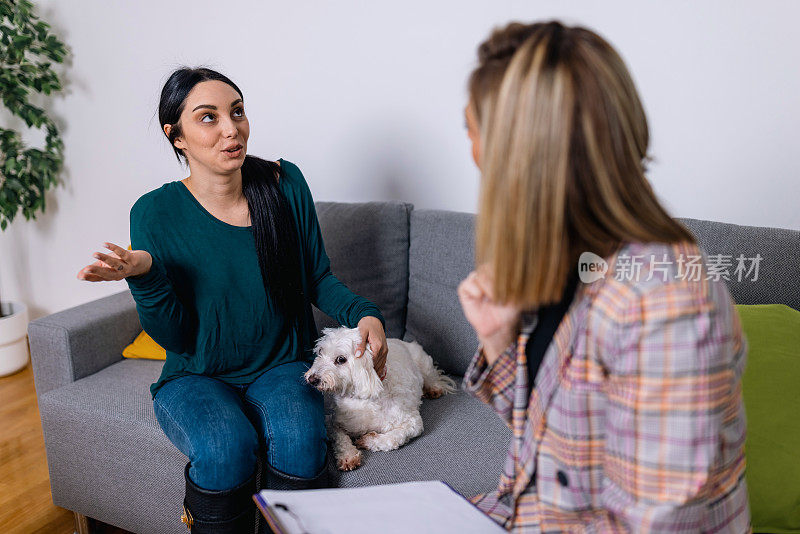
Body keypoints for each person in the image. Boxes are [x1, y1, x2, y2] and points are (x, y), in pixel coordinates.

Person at [457, 21, 751, 532]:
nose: (471, 150)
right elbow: (557, 446)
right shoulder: (575, 262)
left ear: (521, 155)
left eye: (472, 129)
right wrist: (502, 341)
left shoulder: (666, 300)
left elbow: (656, 525)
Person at [77, 67, 388, 533]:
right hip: (195, 375)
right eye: (208, 118)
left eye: (237, 112)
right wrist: (146, 275)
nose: (231, 128)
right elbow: (176, 336)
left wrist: (366, 314)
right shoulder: (154, 212)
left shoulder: (283, 185)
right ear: (176, 135)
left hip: (281, 362)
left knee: (302, 440)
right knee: (226, 447)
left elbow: (317, 278)